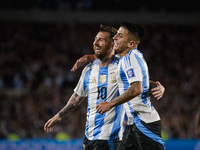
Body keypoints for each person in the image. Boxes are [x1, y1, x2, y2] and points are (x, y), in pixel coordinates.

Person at [44, 24, 165, 150]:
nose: (95, 42)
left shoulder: (121, 63)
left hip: (110, 138)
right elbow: (77, 97)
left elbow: (138, 81)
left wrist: (157, 86)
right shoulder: (89, 70)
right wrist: (59, 115)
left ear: (112, 44)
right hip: (89, 136)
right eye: (95, 38)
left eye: (101, 40)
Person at [96, 22, 165, 150]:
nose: (115, 37)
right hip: (133, 124)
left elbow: (137, 88)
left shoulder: (131, 58)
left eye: (120, 36)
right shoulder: (126, 58)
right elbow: (141, 81)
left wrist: (110, 104)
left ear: (131, 44)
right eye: (116, 34)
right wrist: (157, 85)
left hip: (144, 123)